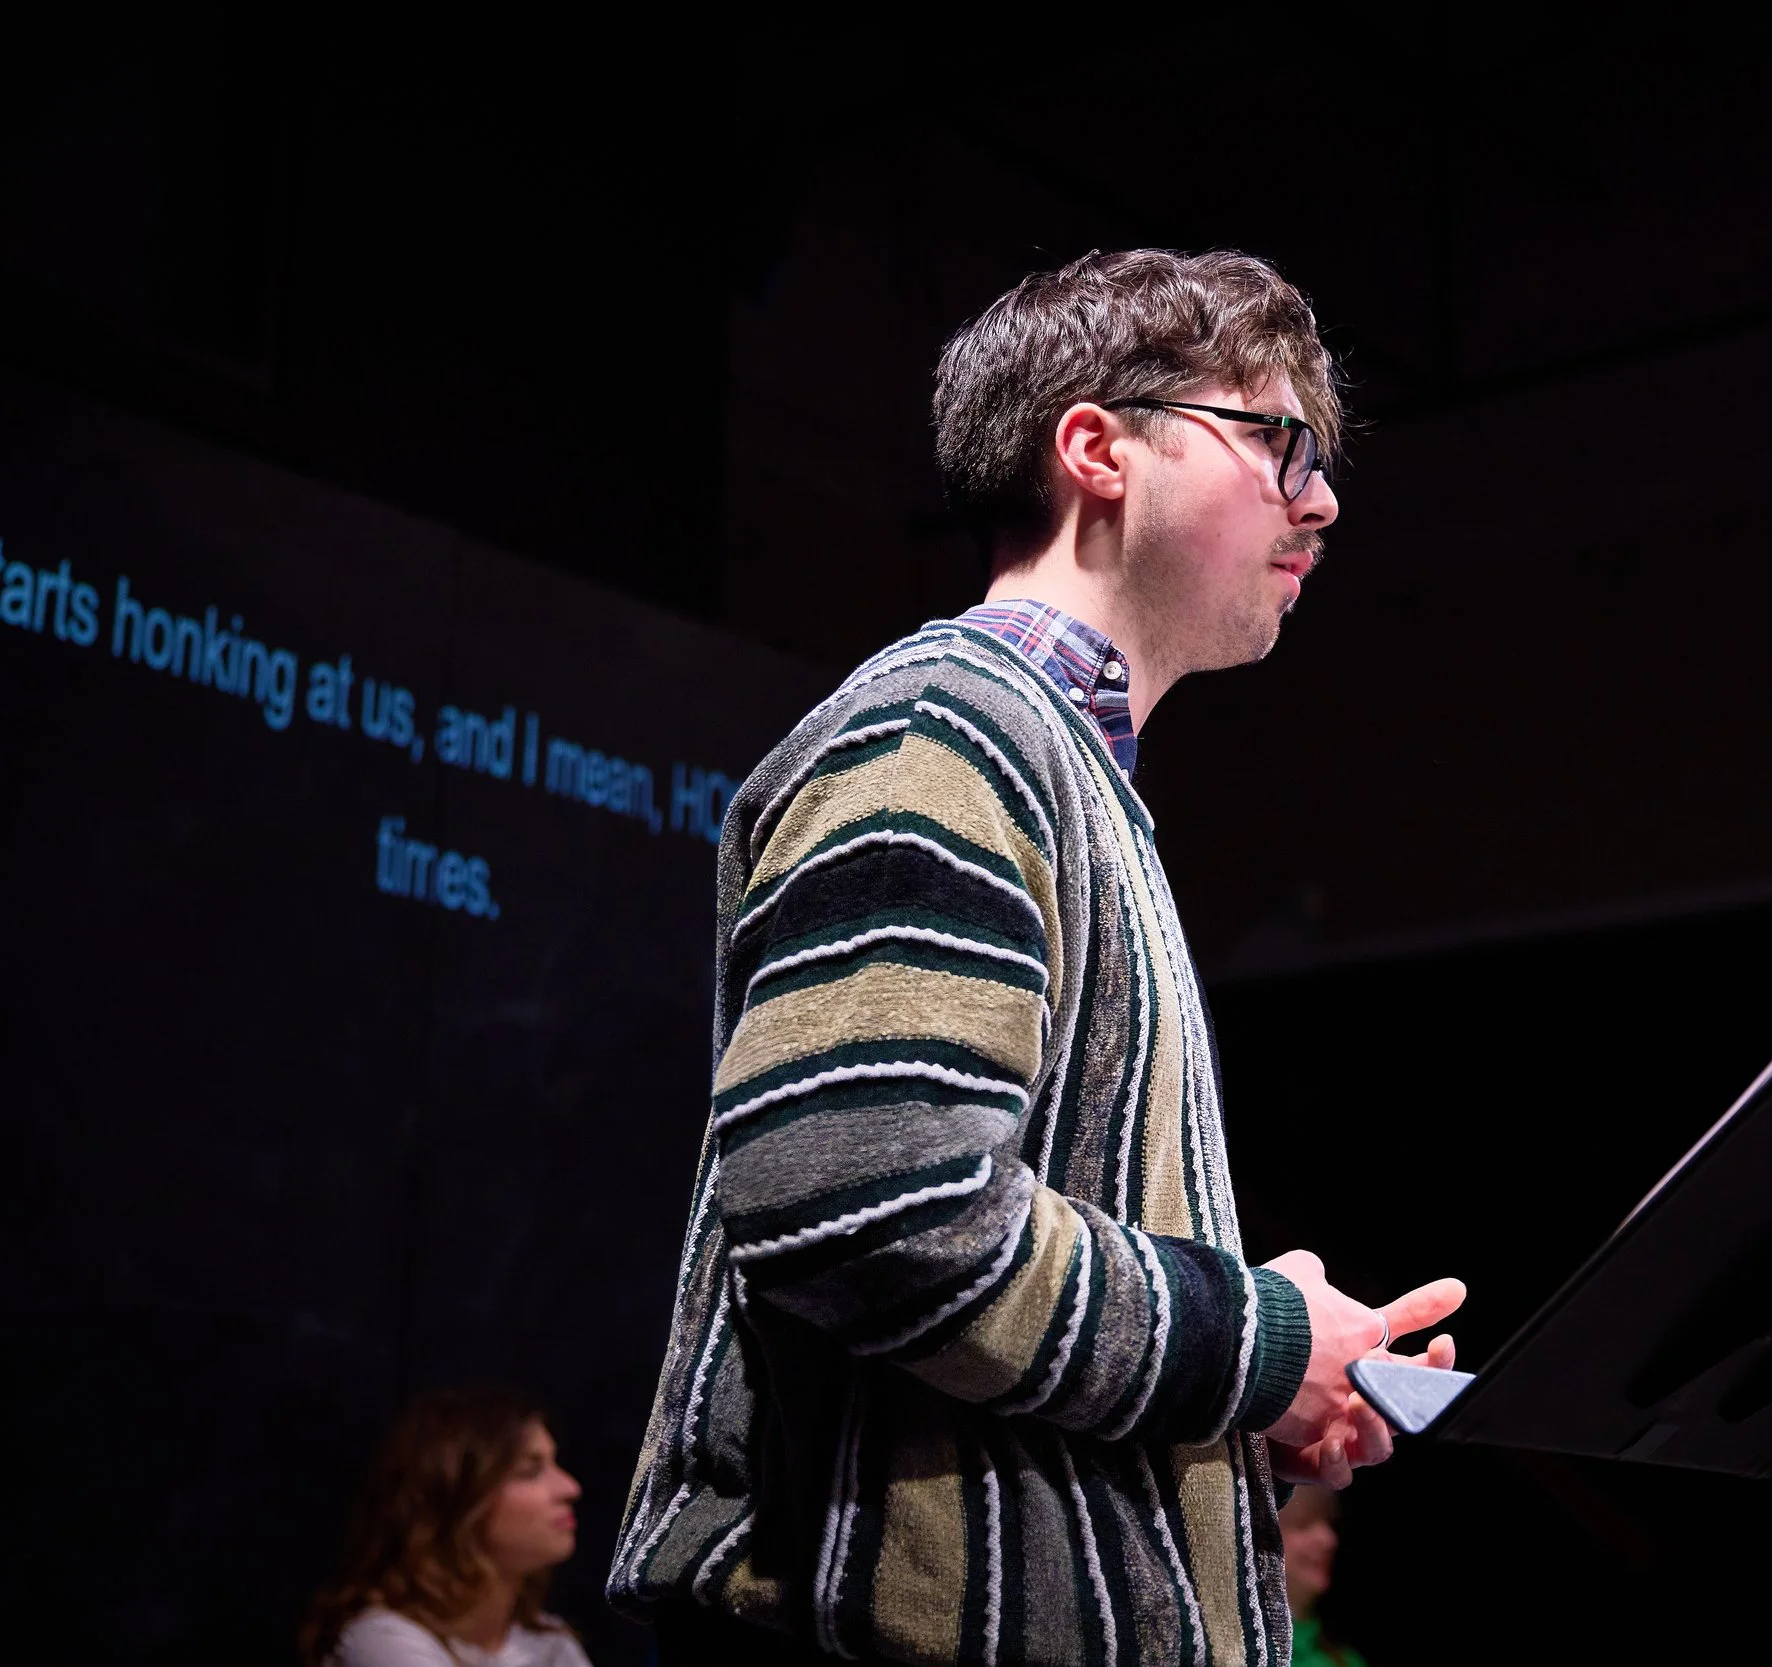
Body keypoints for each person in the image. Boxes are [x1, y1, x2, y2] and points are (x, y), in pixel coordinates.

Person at [610, 249, 1463, 1666]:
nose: (1320, 497)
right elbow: (865, 1194)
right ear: (1096, 449)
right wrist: (1251, 1336)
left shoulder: (1047, 764)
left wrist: (1258, 1389)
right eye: (1278, 442)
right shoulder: (946, 728)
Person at [304, 1387, 591, 1667]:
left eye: (554, 1464)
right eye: (530, 1471)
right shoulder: (382, 1639)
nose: (570, 1488)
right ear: (460, 1498)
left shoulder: (547, 1639)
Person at [1280, 1487, 1367, 1667]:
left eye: (1329, 1522)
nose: (1329, 1540)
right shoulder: (1232, 1653)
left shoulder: (1346, 1661)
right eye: (1303, 1523)